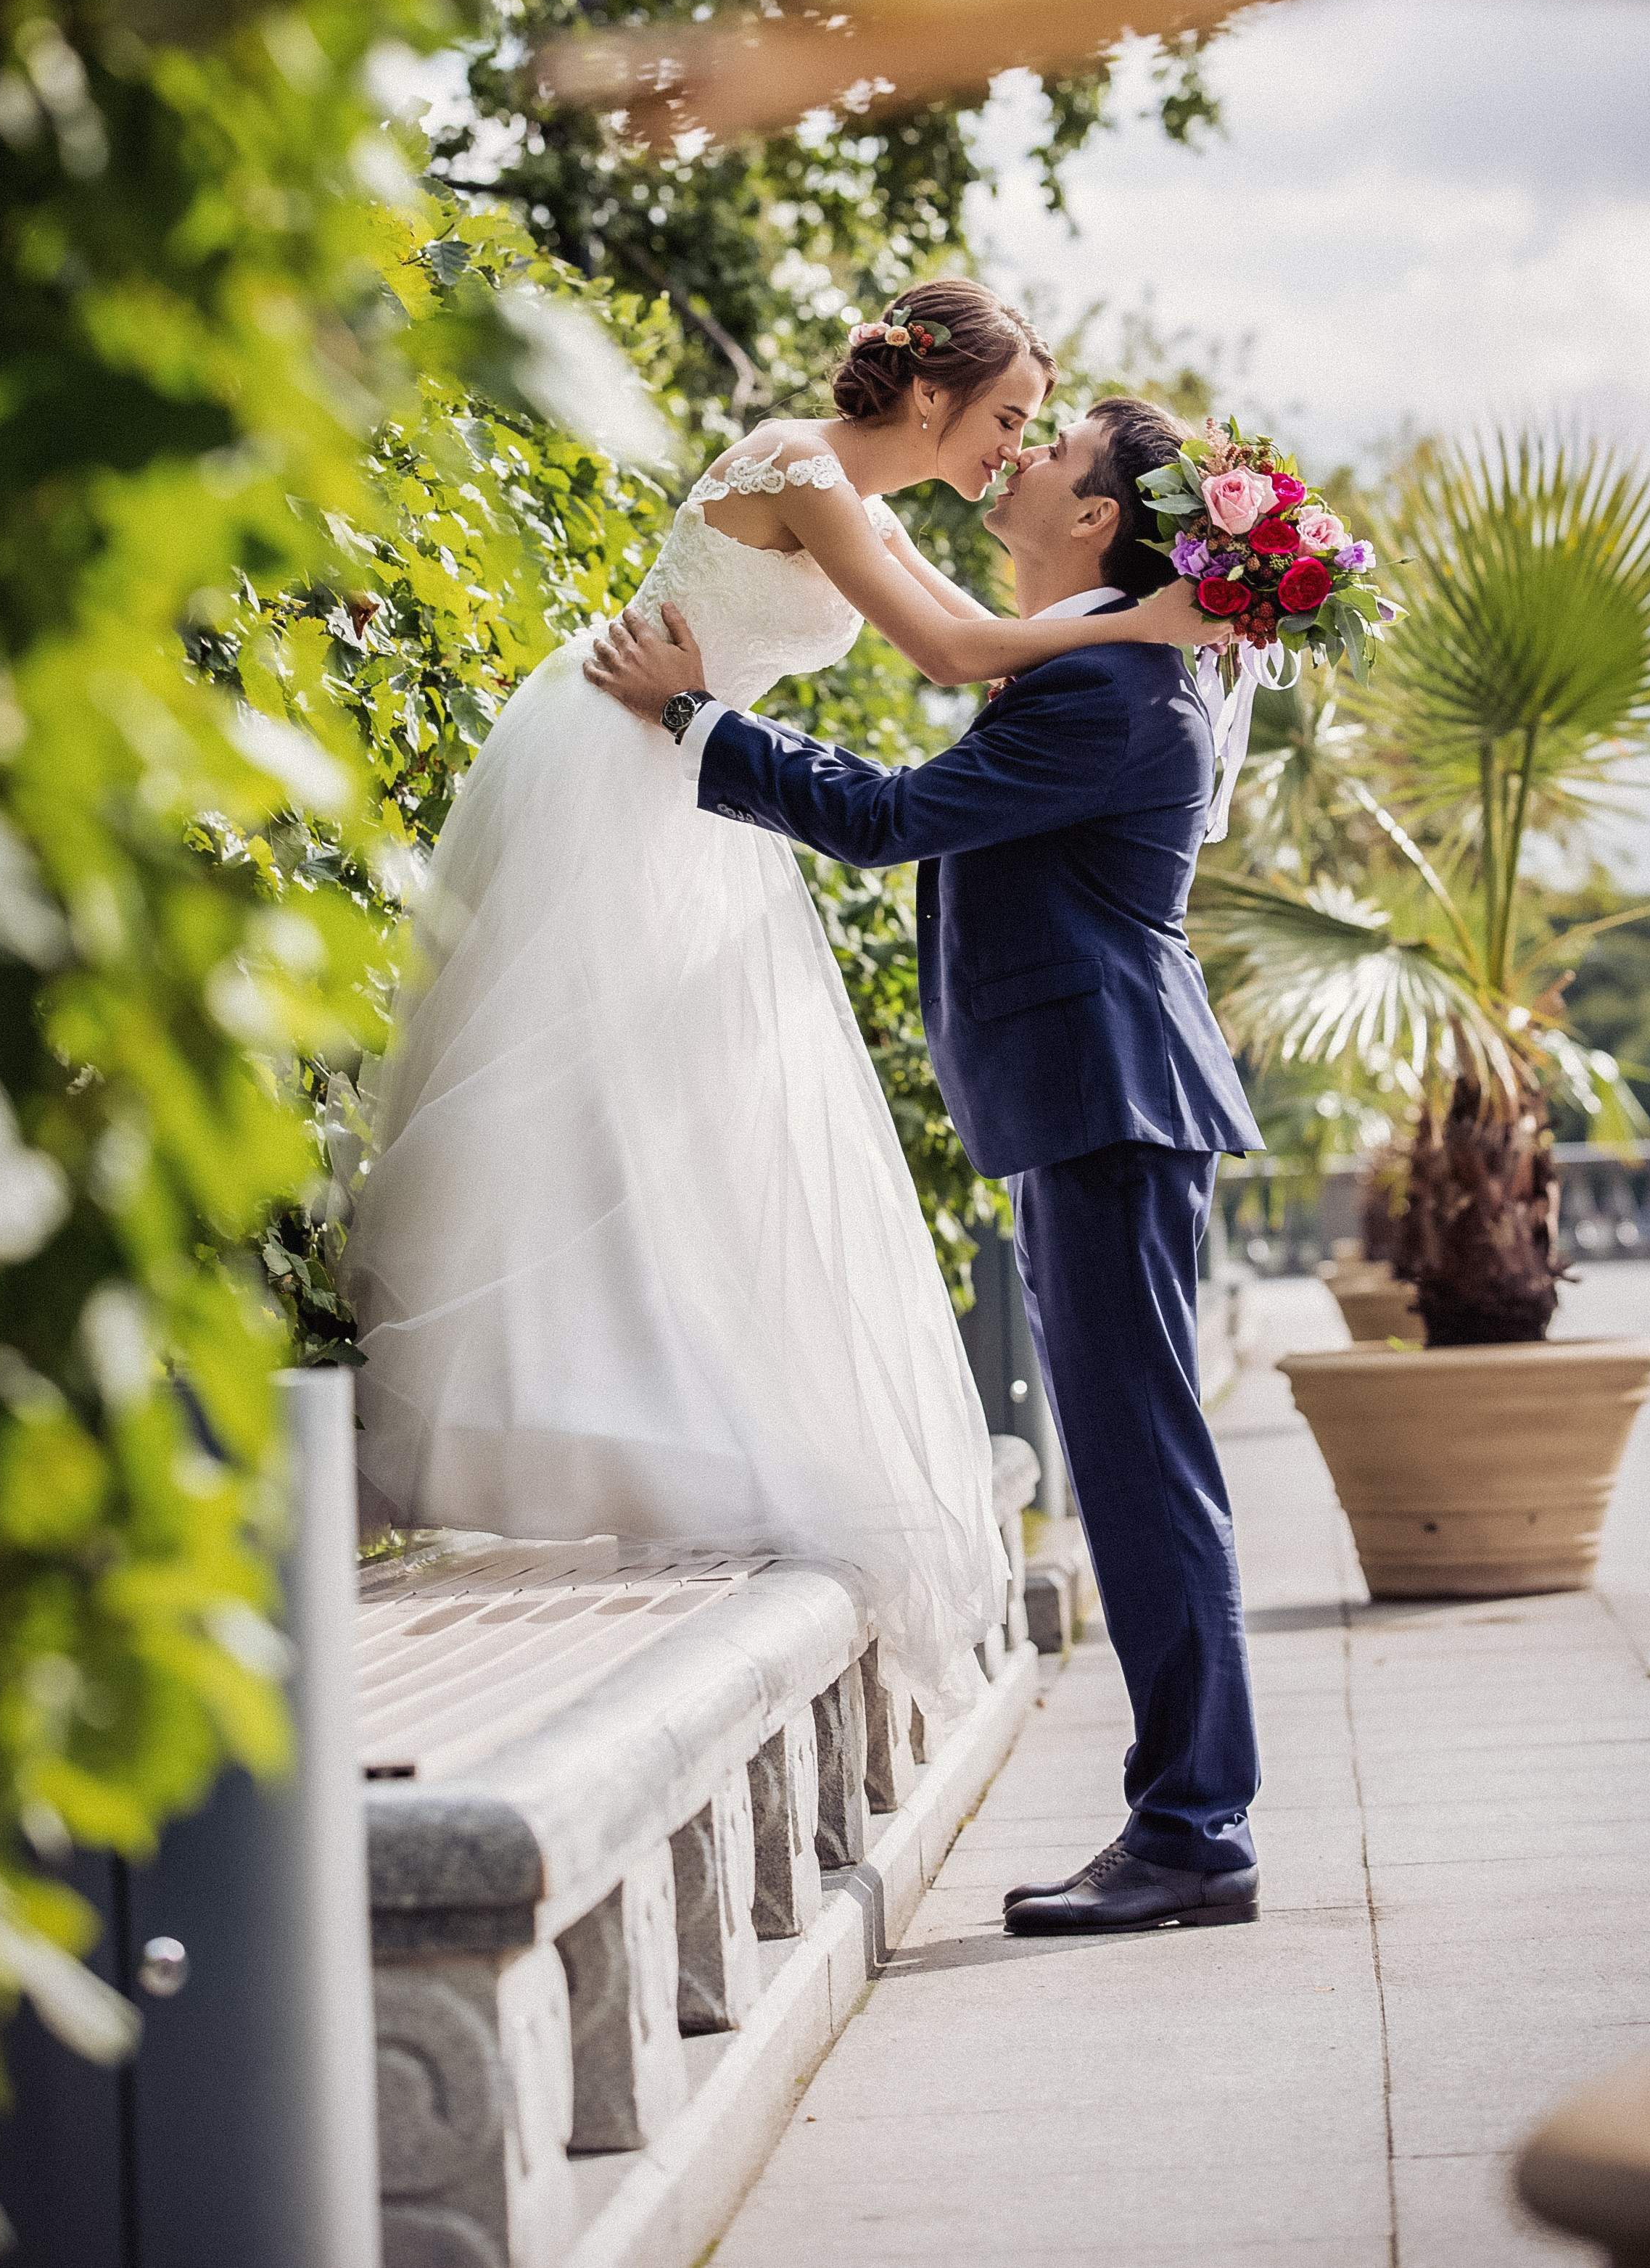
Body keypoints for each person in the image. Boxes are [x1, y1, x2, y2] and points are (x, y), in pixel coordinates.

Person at [342, 280, 1219, 1721]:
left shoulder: (862, 514)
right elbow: (953, 658)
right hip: (627, 752)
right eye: (1006, 416)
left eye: (1034, 434)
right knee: (577, 1091)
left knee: (703, 1108)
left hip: (701, 772)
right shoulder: (800, 465)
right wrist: (1146, 628)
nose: (1012, 449)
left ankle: (662, 1428)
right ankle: (552, 1419)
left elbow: (971, 646)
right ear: (931, 396)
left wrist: (1138, 628)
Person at [588, 393, 1268, 1932]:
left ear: (1097, 521)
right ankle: (1189, 1823)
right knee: (1135, 1462)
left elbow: (892, 820)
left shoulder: (1114, 690)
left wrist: (700, 723)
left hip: (1111, 1099)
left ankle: (1192, 1833)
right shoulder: (1100, 666)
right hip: (1097, 1101)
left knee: (1144, 1472)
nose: (1018, 460)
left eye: (1052, 452)